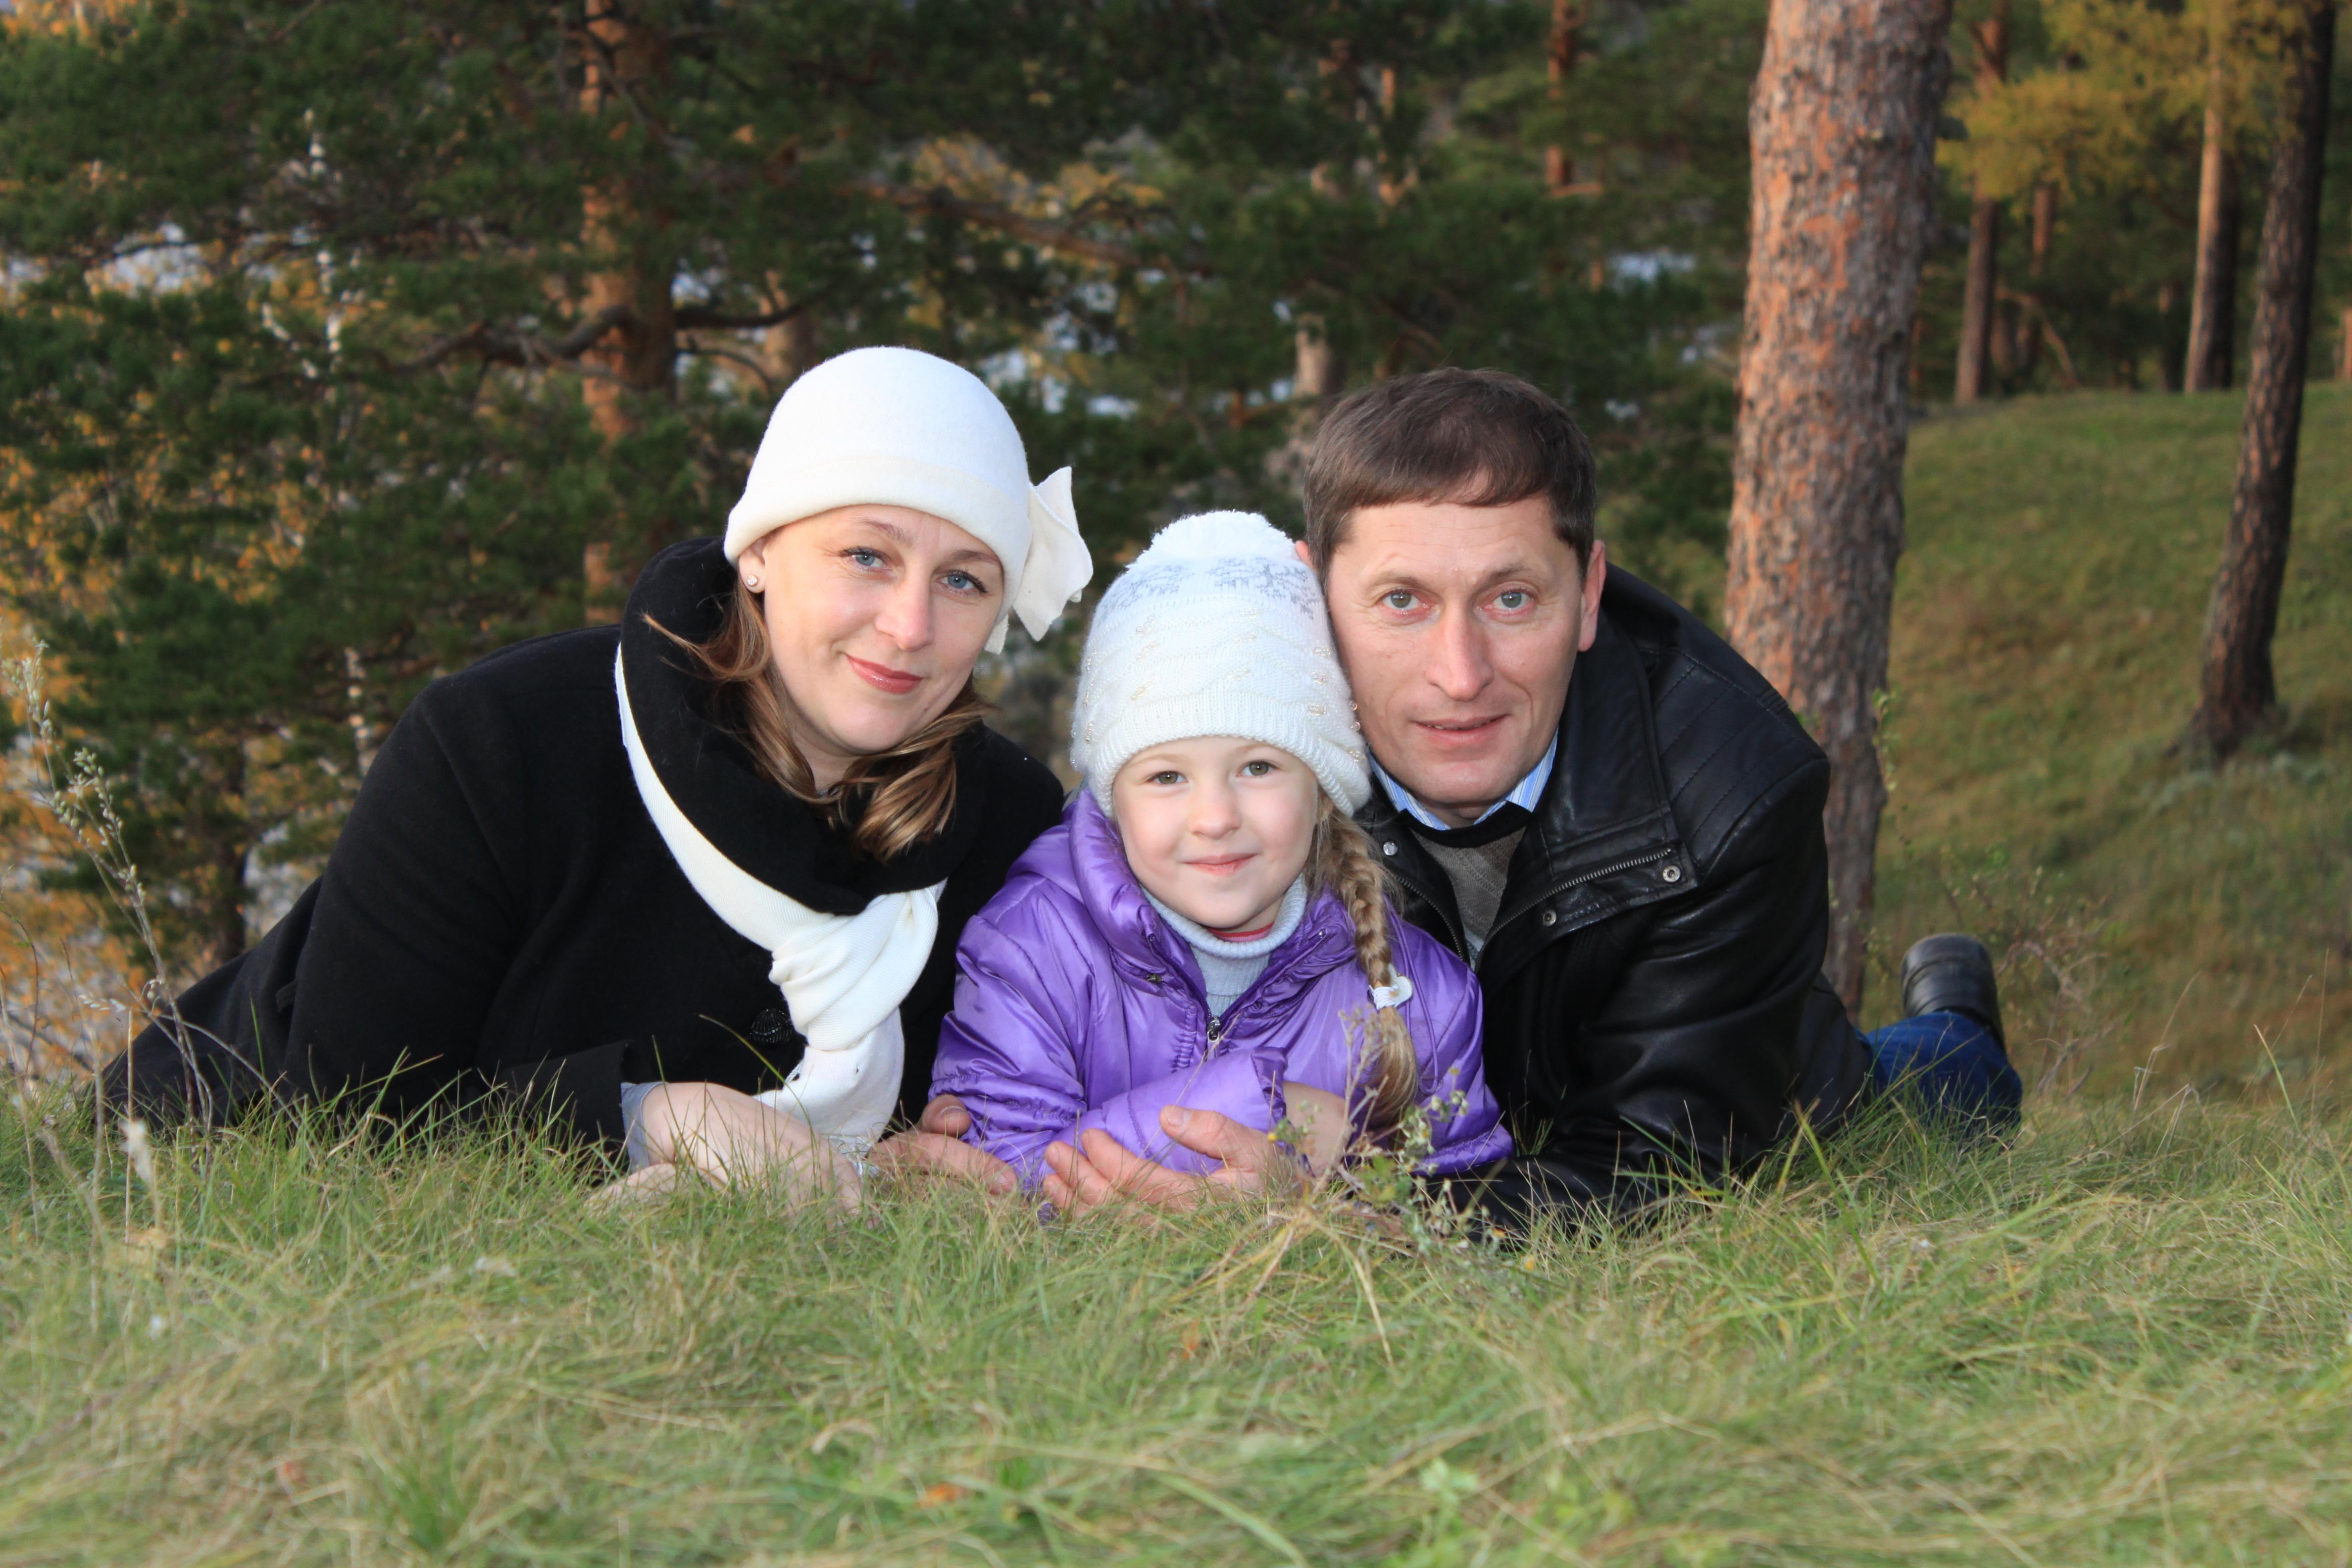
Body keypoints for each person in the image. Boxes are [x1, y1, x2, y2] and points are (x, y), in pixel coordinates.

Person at [907, 368, 2021, 1225]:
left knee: (1908, 1093)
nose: (1459, 674)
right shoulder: (1263, 731)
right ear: (1312, 592)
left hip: (1709, 1066)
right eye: (1401, 600)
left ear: (1588, 594)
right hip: (1436, 1110)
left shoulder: (1731, 798)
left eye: (1511, 598)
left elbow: (1653, 1173)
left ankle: (1958, 1027)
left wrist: (1335, 1207)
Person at [100, 347, 1093, 1206]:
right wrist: (647, 1118)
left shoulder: (1006, 829)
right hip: (182, 1182)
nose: (911, 625)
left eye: (963, 579)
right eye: (867, 556)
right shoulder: (502, 743)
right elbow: (340, 1118)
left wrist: (946, 1175)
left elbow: (1061, 1095)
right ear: (758, 551)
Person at [927, 511, 1507, 1187]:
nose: (1214, 818)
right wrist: (1263, 1106)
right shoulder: (1034, 944)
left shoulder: (1422, 999)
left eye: (1258, 767)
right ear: (1114, 802)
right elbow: (992, 1179)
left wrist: (1311, 1191)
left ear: (1323, 790)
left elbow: (1462, 1206)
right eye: (1166, 777)